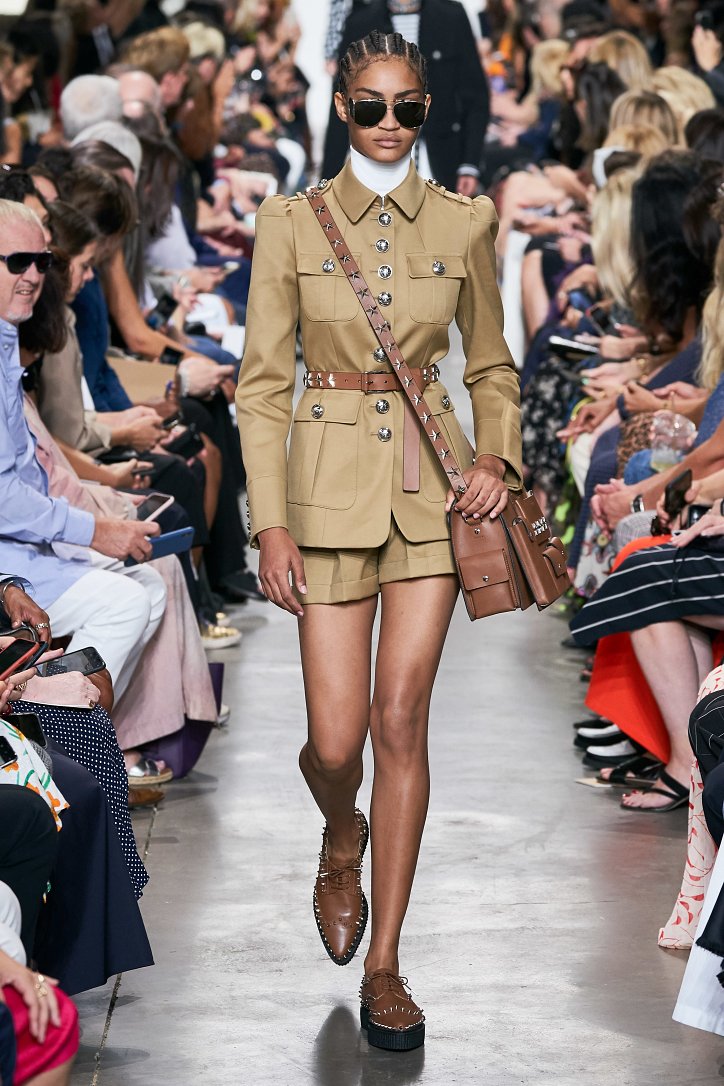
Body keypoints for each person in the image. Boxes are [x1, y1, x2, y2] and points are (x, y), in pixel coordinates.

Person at [236, 30, 521, 1051]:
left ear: (426, 107)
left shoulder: (466, 220)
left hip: (433, 495)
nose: (389, 123)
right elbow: (261, 387)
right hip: (321, 496)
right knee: (334, 742)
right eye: (370, 106)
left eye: (406, 106)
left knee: (400, 718)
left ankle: (388, 962)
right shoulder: (289, 224)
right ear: (342, 107)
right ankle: (340, 828)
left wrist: (497, 457)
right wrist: (269, 520)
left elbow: (490, 365)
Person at [321, 1, 489, 195]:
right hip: (378, 161)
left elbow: (475, 97)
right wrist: (328, 181)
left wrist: (470, 164)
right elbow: (342, 107)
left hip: (442, 158)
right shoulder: (361, 22)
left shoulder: (451, 17)